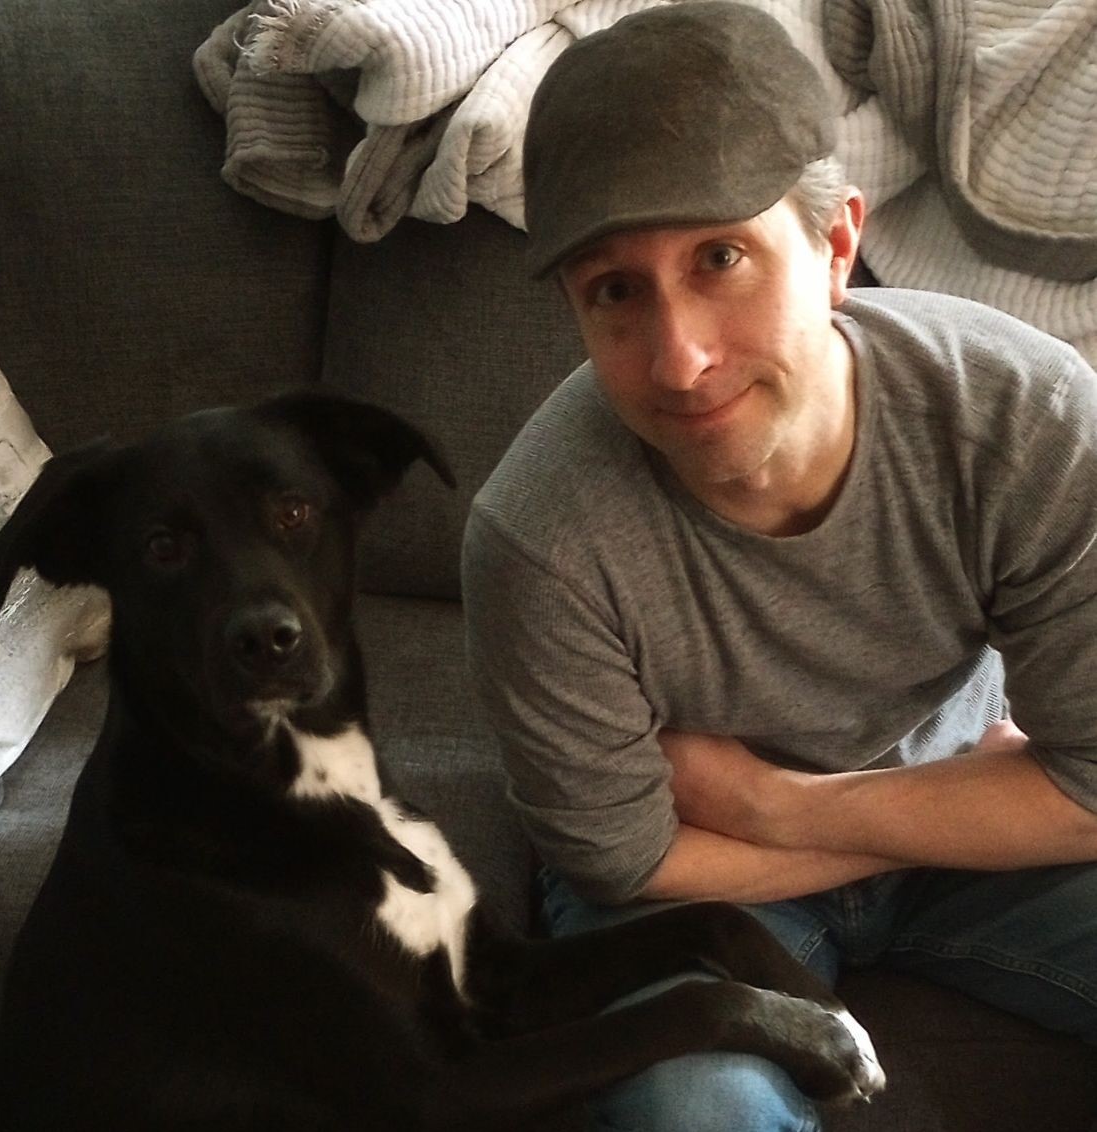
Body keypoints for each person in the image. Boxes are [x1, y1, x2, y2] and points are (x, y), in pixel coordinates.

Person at [461, 2, 1097, 1130]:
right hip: (716, 868)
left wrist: (778, 802)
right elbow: (626, 854)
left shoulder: (1028, 418)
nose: (681, 358)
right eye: (616, 290)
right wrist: (994, 802)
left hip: (930, 822)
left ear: (836, 244)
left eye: (721, 257)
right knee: (695, 1111)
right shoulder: (536, 542)